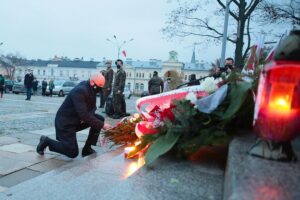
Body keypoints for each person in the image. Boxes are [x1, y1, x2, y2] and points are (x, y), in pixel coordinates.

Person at [36, 74, 112, 158]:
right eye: (98, 86)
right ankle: (46, 141)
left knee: (99, 119)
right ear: (91, 82)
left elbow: (93, 108)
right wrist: (102, 125)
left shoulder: (91, 89)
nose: (99, 89)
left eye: (101, 86)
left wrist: (89, 118)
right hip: (65, 123)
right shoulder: (80, 91)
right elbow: (83, 114)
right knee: (72, 152)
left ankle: (87, 149)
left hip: (76, 120)